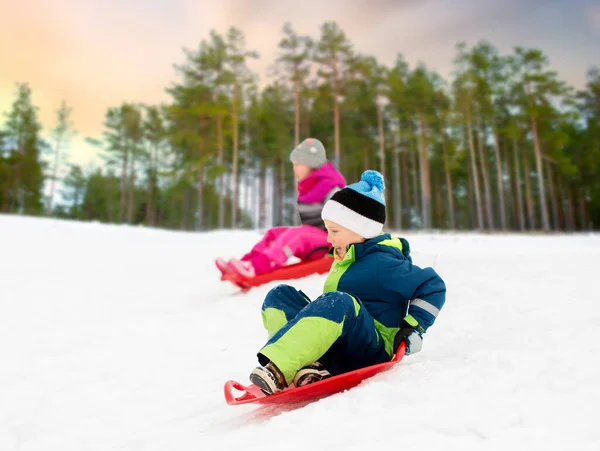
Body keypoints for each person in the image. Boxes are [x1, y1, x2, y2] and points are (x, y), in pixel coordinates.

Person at [247, 170, 447, 394]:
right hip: (341, 345)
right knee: (280, 296)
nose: (328, 239)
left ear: (360, 230)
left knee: (339, 302)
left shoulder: (383, 263)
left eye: (334, 231)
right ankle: (304, 365)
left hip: (370, 349)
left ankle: (280, 369)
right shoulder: (349, 257)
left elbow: (433, 285)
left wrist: (414, 327)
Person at [216, 138, 346, 278]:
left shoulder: (331, 189)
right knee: (274, 233)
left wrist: (342, 249)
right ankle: (247, 262)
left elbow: (345, 221)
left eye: (299, 164)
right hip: (314, 240)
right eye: (294, 164)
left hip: (329, 245)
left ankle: (260, 265)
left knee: (298, 234)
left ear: (312, 165)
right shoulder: (309, 188)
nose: (295, 168)